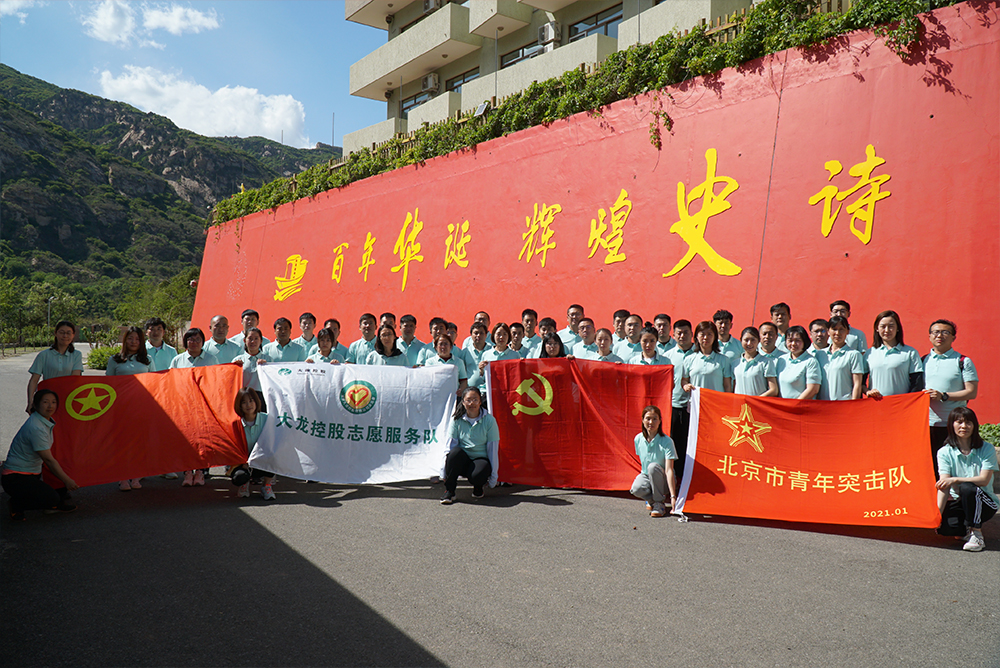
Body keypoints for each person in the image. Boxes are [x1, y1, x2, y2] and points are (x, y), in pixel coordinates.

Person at [2, 389, 79, 521]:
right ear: (36, 405)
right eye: (45, 402)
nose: (50, 406)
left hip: (32, 473)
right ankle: (16, 505)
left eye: (53, 402)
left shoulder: (43, 420)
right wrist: (67, 481)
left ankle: (53, 503)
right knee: (52, 497)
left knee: (60, 475)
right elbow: (48, 460)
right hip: (16, 478)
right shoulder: (36, 427)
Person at [935, 407, 998, 552]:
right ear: (951, 425)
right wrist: (937, 515)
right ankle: (966, 530)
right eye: (959, 422)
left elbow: (983, 480)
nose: (964, 426)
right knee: (947, 529)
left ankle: (977, 533)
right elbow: (944, 485)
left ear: (974, 425)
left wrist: (955, 480)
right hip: (960, 501)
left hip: (985, 502)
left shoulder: (987, 448)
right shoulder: (944, 452)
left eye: (968, 422)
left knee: (967, 487)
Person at [923, 319, 978, 474]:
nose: (939, 336)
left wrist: (944, 396)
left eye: (945, 332)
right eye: (935, 332)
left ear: (953, 337)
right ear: (929, 336)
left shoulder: (963, 361)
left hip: (953, 425)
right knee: (931, 468)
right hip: (927, 425)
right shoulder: (922, 361)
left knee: (954, 468)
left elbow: (971, 392)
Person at [106, 326, 151, 491]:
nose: (134, 342)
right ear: (125, 340)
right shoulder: (115, 360)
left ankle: (137, 475)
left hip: (141, 407)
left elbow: (155, 383)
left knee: (139, 442)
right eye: (130, 338)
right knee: (122, 442)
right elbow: (108, 384)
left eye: (137, 339)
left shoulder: (147, 360)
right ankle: (122, 476)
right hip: (121, 407)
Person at [440, 388, 499, 504]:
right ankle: (450, 491)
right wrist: (443, 471)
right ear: (463, 402)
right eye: (468, 400)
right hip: (463, 459)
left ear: (480, 401)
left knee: (479, 473)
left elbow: (493, 450)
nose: (472, 403)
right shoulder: (456, 420)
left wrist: (494, 477)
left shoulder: (489, 420)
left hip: (480, 459)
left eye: (475, 400)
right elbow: (449, 447)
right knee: (454, 453)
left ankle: (478, 488)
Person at [629, 406, 678, 518]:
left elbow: (669, 470)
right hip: (647, 476)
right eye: (648, 419)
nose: (651, 422)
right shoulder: (638, 439)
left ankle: (659, 503)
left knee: (653, 467)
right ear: (642, 420)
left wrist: (673, 496)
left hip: (664, 480)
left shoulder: (667, 441)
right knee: (636, 489)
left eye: (655, 419)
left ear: (660, 421)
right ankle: (652, 500)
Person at [26, 320, 83, 413]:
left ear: (73, 335)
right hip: (48, 401)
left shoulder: (76, 355)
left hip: (68, 400)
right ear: (56, 333)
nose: (65, 336)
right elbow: (34, 380)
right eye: (62, 332)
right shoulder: (43, 355)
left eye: (68, 333)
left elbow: (75, 379)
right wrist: (30, 402)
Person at [865, 310, 923, 399]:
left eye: (891, 326)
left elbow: (917, 383)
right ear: (877, 329)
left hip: (901, 403)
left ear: (898, 328)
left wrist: (907, 401)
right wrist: (867, 391)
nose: (887, 330)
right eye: (883, 326)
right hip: (876, 404)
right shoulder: (869, 353)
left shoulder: (910, 352)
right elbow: (860, 382)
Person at [665, 320, 697, 479]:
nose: (682, 336)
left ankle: (690, 477)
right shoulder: (668, 356)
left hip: (695, 407)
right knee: (675, 443)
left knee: (692, 444)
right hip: (674, 405)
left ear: (692, 334)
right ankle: (676, 478)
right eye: (679, 333)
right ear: (673, 335)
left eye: (685, 332)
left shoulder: (698, 354)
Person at [230, 387, 275, 501]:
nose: (248, 405)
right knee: (239, 477)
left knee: (274, 457)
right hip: (243, 463)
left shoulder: (267, 419)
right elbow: (233, 448)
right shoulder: (235, 423)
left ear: (257, 401)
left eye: (251, 400)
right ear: (239, 405)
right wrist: (243, 461)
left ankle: (266, 486)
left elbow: (272, 442)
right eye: (244, 402)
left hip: (262, 460)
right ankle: (244, 484)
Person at [681, 321, 734, 393]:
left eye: (709, 334)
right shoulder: (689, 359)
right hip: (697, 399)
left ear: (715, 337)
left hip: (716, 399)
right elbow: (684, 380)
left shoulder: (724, 360)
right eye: (702, 334)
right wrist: (685, 385)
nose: (705, 338)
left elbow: (727, 385)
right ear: (697, 336)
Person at [469, 323, 520, 393]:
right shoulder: (486, 354)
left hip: (507, 392)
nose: (501, 337)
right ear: (493, 336)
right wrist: (481, 370)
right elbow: (483, 378)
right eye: (498, 334)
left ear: (509, 336)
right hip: (490, 391)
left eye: (505, 334)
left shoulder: (515, 355)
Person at [823, 316, 865, 401]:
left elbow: (857, 384)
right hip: (823, 404)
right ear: (828, 331)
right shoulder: (821, 354)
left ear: (847, 331)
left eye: (841, 329)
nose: (837, 333)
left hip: (844, 403)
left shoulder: (854, 354)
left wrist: (853, 404)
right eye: (834, 329)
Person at [774, 325, 821, 399]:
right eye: (790, 340)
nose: (793, 344)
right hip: (782, 405)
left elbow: (813, 389)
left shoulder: (811, 361)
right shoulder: (781, 359)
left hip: (801, 404)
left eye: (797, 340)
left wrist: (796, 403)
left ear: (804, 341)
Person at [733, 326, 778, 397]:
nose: (749, 343)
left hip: (757, 403)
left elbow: (774, 390)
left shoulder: (766, 362)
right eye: (746, 340)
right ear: (741, 340)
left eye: (753, 340)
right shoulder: (735, 364)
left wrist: (755, 400)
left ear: (758, 341)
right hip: (739, 403)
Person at [234, 328, 271, 403]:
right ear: (244, 340)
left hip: (263, 397)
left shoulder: (268, 360)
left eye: (256, 338)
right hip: (244, 397)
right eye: (250, 338)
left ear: (261, 341)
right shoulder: (238, 360)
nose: (253, 341)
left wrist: (268, 367)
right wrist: (234, 368)